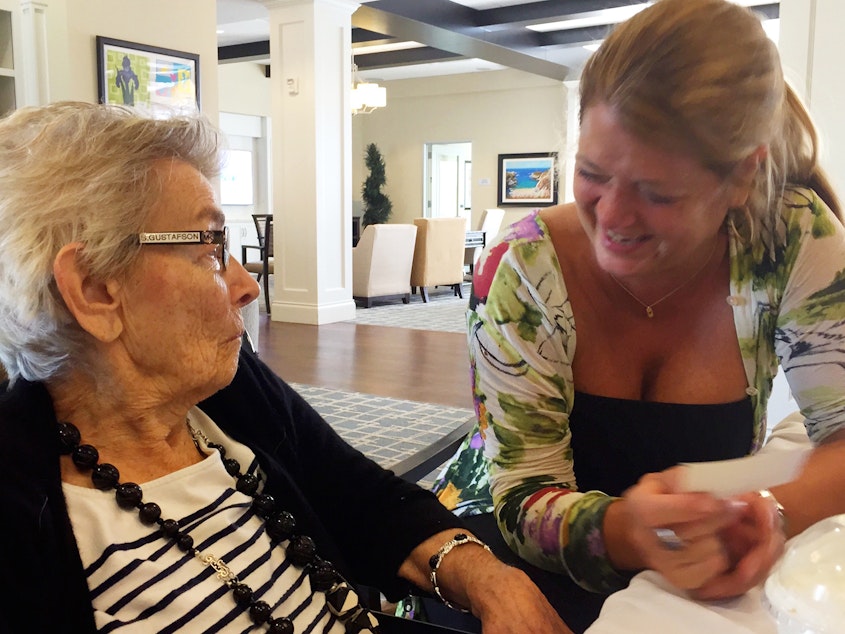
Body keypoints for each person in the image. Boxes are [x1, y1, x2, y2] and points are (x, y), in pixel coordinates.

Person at [0, 101, 569, 634]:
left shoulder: (226, 394)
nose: (247, 287)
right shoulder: (30, 513)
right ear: (97, 289)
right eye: (211, 249)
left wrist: (489, 578)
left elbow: (359, 496)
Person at [437, 0, 845, 631]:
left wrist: (775, 512)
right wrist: (635, 531)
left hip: (692, 573)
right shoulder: (521, 271)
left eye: (657, 193)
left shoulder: (788, 239)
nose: (614, 218)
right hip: (511, 556)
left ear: (743, 177)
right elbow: (521, 499)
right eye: (592, 174)